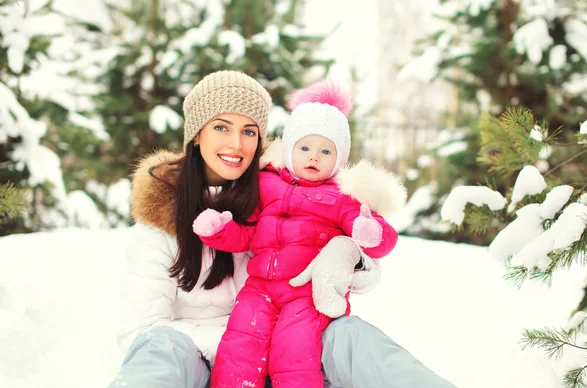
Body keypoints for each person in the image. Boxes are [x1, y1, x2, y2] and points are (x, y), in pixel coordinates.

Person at [109, 70, 456, 388]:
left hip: (296, 353)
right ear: (196, 135)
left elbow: (365, 274)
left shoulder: (276, 191)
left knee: (349, 335)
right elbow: (139, 331)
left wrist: (347, 252)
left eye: (249, 131)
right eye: (221, 127)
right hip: (207, 367)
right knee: (160, 346)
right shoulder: (160, 223)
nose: (236, 144)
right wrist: (242, 344)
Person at [193, 81, 401, 388]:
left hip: (306, 294)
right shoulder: (265, 183)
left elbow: (383, 238)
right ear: (289, 150)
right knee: (241, 346)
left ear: (339, 158)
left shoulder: (343, 197)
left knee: (294, 353)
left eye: (325, 150)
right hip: (259, 288)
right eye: (304, 148)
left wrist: (370, 232)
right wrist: (219, 231)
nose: (313, 157)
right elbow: (247, 235)